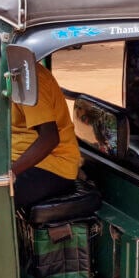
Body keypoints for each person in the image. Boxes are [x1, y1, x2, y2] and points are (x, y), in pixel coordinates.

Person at [11, 62, 81, 209]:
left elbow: (49, 138)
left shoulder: (27, 79)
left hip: (54, 164)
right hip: (18, 152)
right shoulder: (7, 74)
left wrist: (10, 173)